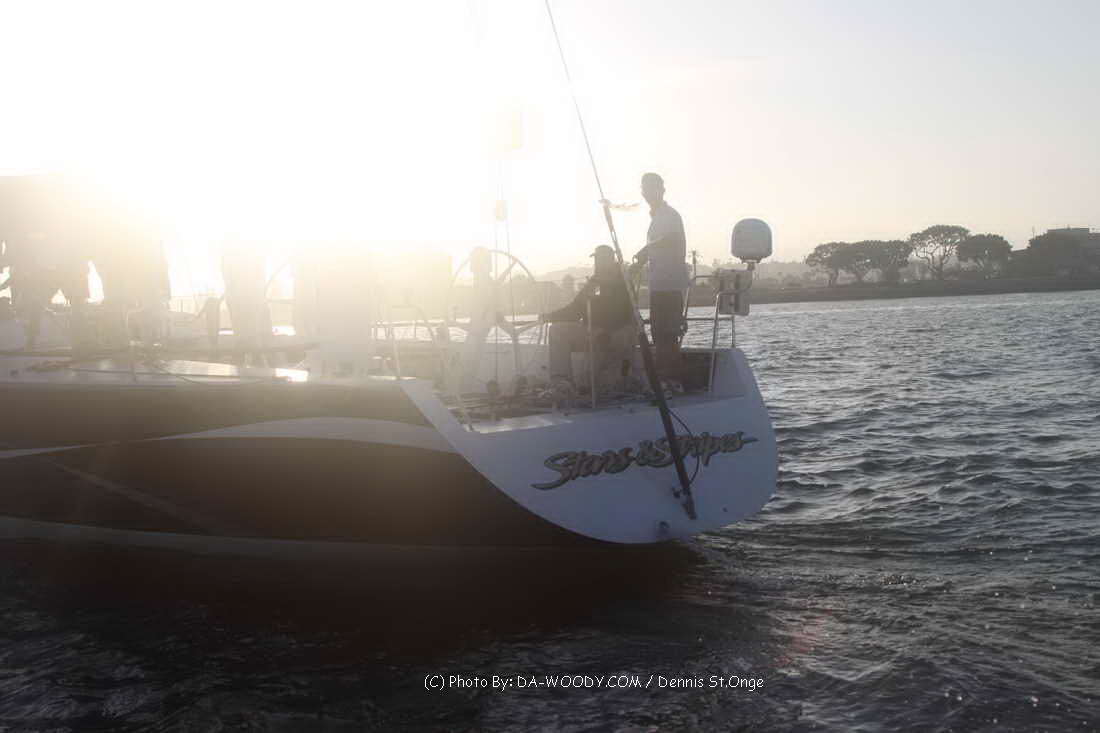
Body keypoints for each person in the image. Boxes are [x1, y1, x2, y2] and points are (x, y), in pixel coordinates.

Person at [540, 244, 633, 388]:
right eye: (597, 259)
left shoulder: (623, 282)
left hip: (616, 334)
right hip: (592, 332)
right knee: (557, 330)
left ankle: (598, 380)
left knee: (608, 340)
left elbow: (626, 313)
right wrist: (549, 317)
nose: (598, 263)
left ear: (611, 260)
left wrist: (606, 330)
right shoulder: (593, 283)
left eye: (601, 259)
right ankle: (562, 382)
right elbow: (574, 310)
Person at [631, 172, 687, 385]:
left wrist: (647, 249)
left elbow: (671, 238)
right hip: (658, 285)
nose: (648, 193)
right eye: (645, 189)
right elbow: (657, 248)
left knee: (668, 334)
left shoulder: (669, 215)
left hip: (671, 285)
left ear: (662, 190)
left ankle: (674, 381)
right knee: (658, 333)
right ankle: (665, 380)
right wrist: (638, 264)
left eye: (652, 188)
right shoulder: (655, 217)